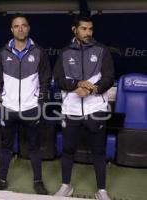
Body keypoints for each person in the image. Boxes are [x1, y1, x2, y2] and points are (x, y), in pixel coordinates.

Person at [0, 13, 52, 195]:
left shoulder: (39, 52)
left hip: (31, 109)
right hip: (9, 109)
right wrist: (1, 103)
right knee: (5, 147)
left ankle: (38, 182)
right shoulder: (2, 53)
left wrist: (39, 103)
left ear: (28, 28)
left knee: (34, 147)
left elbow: (46, 80)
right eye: (16, 26)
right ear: (11, 29)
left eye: (24, 25)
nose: (20, 29)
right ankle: (1, 180)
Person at [54, 15, 115, 200]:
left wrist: (92, 90)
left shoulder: (102, 50)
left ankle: (101, 190)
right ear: (75, 30)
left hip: (95, 108)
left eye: (90, 29)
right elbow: (58, 80)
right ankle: (66, 186)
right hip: (71, 110)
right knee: (68, 150)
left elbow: (109, 78)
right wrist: (77, 85)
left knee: (98, 151)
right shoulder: (64, 53)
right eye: (84, 29)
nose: (88, 33)